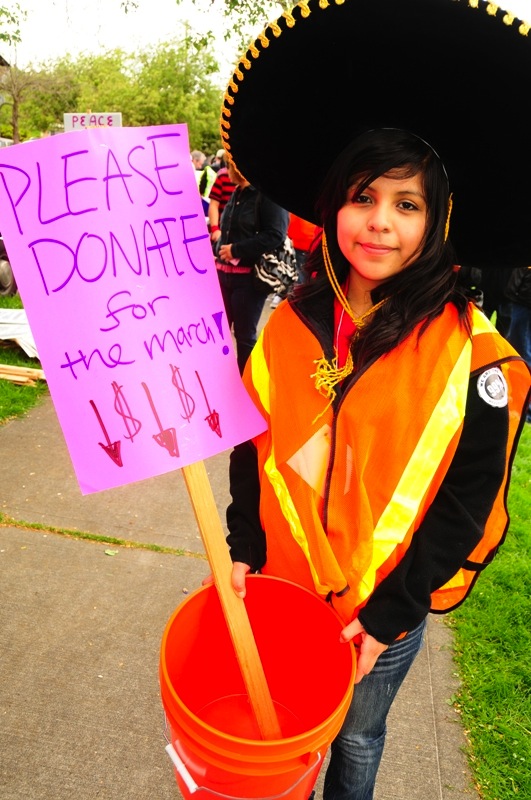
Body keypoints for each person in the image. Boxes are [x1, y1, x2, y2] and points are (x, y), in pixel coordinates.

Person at [210, 1, 531, 798]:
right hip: (283, 589)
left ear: (436, 222)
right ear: (332, 206)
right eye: (362, 197)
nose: (378, 223)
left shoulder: (475, 360)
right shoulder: (284, 326)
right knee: (280, 726)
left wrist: (386, 617)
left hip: (381, 609)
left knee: (354, 735)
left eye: (406, 204)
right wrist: (243, 545)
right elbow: (252, 449)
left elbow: (464, 505)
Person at [214, 160, 288, 374]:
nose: (225, 170)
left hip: (249, 280)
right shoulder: (239, 192)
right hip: (224, 276)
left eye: (228, 166)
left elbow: (275, 235)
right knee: (218, 332)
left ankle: (245, 386)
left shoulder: (268, 195)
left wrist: (236, 250)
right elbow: (229, 230)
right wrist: (219, 250)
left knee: (245, 336)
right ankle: (220, 379)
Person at [497, 266, 531, 423]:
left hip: (524, 301)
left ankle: (522, 405)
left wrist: (517, 292)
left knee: (521, 353)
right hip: (520, 300)